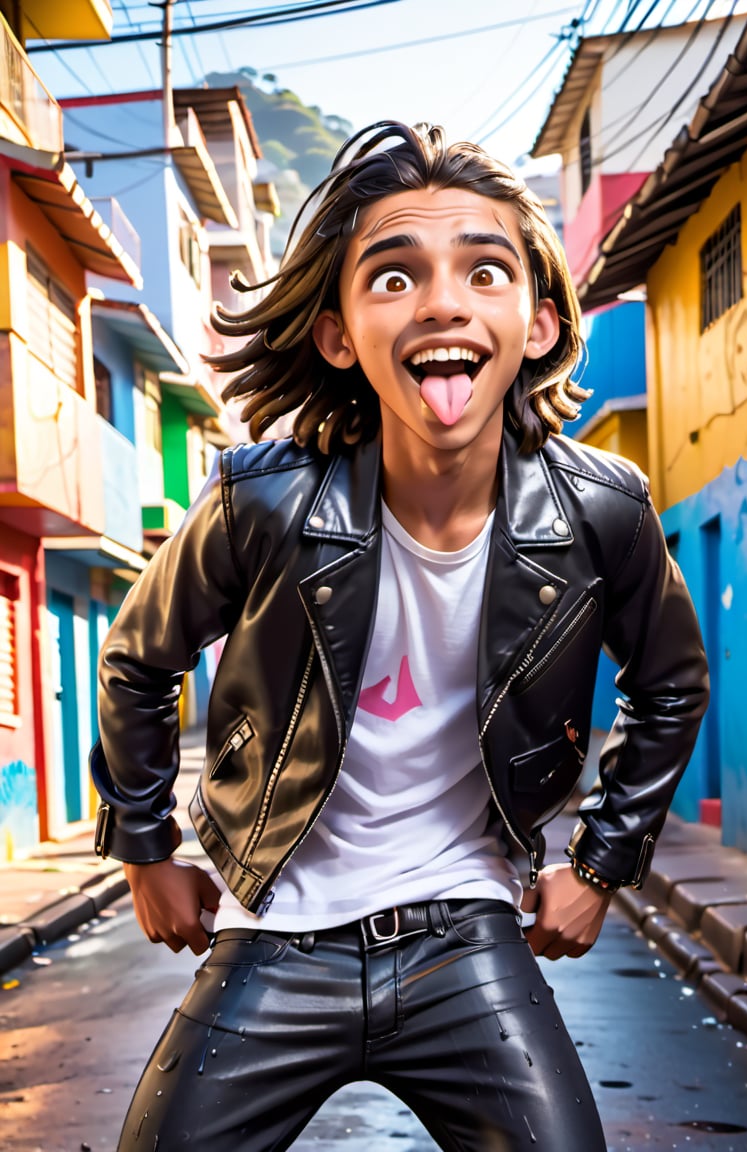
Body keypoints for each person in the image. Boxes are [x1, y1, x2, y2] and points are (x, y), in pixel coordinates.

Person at [90, 121, 709, 1151]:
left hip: (464, 935)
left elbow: (673, 684)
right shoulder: (263, 502)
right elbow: (136, 660)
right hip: (274, 936)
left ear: (541, 321)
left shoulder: (602, 513)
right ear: (338, 335)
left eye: (485, 269)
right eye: (392, 277)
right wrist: (144, 851)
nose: (442, 301)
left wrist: (601, 865)